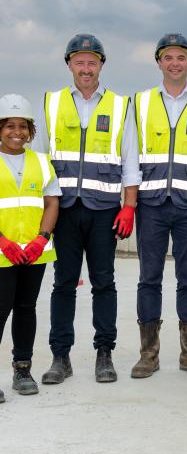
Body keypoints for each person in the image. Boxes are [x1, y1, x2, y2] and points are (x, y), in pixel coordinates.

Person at [33, 34, 140, 385]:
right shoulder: (52, 102)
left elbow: (130, 162)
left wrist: (129, 207)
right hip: (64, 210)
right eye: (79, 62)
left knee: (104, 283)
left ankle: (104, 353)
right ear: (69, 65)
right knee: (63, 284)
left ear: (101, 65)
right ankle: (60, 357)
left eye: (92, 62)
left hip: (103, 211)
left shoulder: (121, 106)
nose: (85, 68)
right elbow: (41, 161)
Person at [131, 33, 187, 379]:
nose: (174, 63)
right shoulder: (139, 103)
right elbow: (130, 153)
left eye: (181, 57)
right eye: (168, 57)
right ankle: (148, 354)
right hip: (151, 204)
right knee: (149, 278)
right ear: (158, 63)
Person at [0, 94, 60, 403]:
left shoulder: (40, 161)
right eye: (10, 125)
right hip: (1, 253)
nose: (17, 132)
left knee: (26, 309)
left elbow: (51, 203)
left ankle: (22, 369)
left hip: (34, 253)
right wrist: (3, 243)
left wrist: (41, 238)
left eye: (23, 126)